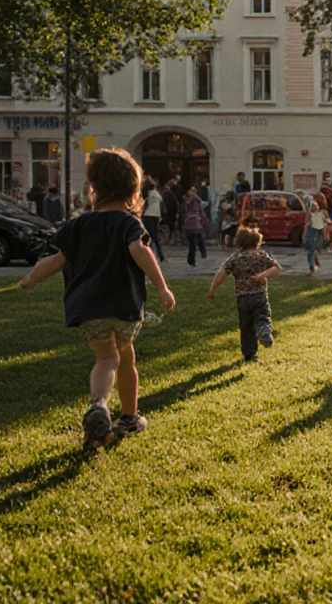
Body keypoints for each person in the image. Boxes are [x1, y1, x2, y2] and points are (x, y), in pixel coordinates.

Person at [19, 147, 176, 451]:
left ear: (93, 187)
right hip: (125, 307)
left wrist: (30, 278)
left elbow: (56, 259)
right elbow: (140, 251)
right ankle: (122, 415)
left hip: (90, 308)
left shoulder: (77, 224)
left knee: (107, 358)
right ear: (133, 188)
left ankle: (102, 406)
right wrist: (161, 286)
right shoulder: (130, 223)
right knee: (125, 358)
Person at [207, 226, 282, 363]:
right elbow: (277, 269)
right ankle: (263, 329)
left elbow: (222, 274)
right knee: (262, 316)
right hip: (259, 295)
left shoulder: (235, 258)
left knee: (246, 326)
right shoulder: (261, 256)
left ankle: (249, 354)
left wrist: (213, 288)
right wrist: (263, 275)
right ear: (257, 241)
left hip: (242, 298)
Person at [140, 177, 165, 261]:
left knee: (147, 236)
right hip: (156, 216)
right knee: (156, 237)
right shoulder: (158, 196)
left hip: (147, 215)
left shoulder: (146, 195)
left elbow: (143, 205)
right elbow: (163, 207)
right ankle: (161, 256)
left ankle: (148, 254)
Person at [182, 187, 208, 267]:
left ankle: (191, 260)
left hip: (190, 224)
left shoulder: (187, 201)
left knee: (192, 243)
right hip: (196, 224)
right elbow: (201, 212)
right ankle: (202, 253)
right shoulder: (197, 201)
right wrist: (203, 220)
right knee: (198, 240)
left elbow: (184, 211)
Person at [305, 198, 328, 275]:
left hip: (320, 231)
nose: (313, 208)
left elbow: (326, 220)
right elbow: (306, 224)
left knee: (317, 246)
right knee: (311, 248)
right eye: (312, 207)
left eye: (314, 207)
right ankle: (312, 266)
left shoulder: (322, 213)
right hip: (312, 230)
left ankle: (315, 259)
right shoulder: (309, 215)